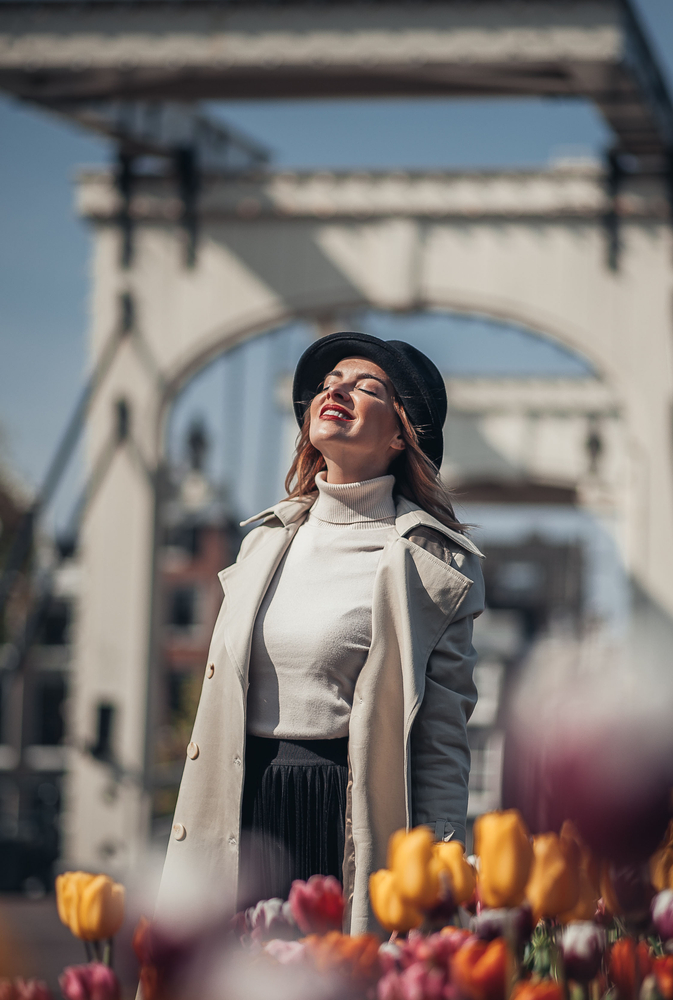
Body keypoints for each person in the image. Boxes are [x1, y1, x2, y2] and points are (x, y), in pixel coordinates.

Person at [157, 332, 484, 935]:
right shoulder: (262, 543)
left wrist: (442, 864)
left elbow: (441, 739)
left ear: (399, 433)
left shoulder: (433, 565)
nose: (337, 389)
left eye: (367, 387)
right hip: (241, 808)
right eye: (330, 381)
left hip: (346, 816)